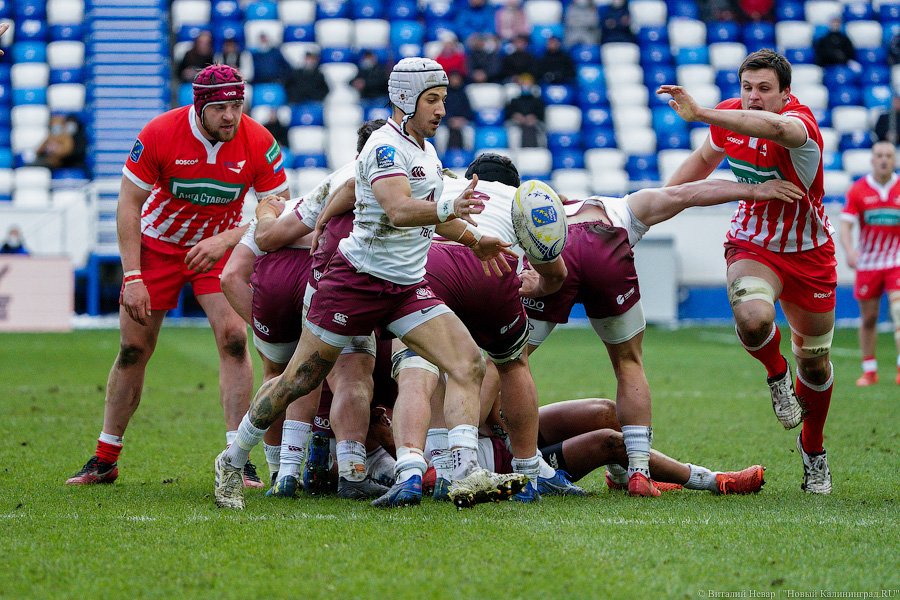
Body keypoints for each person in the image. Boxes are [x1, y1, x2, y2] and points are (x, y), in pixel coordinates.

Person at [213, 58, 526, 510]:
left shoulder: (426, 151)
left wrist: (477, 240)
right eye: (432, 100)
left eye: (442, 99)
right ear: (405, 100)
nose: (441, 110)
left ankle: (464, 472)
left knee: (467, 363)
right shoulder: (384, 146)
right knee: (298, 380)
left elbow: (433, 218)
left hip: (403, 288)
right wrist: (448, 210)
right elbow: (399, 209)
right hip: (354, 284)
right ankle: (232, 459)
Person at [65, 64, 291, 486]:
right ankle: (105, 457)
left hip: (219, 251)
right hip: (157, 250)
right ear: (200, 106)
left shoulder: (259, 140)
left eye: (237, 105)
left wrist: (226, 240)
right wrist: (132, 276)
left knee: (235, 339)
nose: (230, 116)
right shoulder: (159, 133)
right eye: (221, 107)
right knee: (133, 349)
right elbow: (129, 205)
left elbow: (282, 211)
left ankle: (236, 459)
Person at [521, 176, 803, 497]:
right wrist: (754, 190)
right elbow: (688, 193)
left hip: (489, 431)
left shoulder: (528, 225)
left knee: (525, 371)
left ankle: (467, 452)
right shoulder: (616, 207)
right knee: (626, 370)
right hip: (495, 451)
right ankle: (652, 474)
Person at [658, 48, 836, 495]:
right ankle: (777, 375)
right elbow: (700, 164)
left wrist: (700, 112)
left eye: (764, 89)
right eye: (746, 88)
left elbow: (776, 128)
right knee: (754, 319)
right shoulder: (728, 118)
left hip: (810, 254)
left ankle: (812, 449)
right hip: (752, 244)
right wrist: (651, 207)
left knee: (814, 367)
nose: (753, 97)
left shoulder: (801, 125)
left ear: (785, 94)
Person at [840, 141, 900, 387]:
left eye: (888, 155)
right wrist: (849, 251)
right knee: (869, 319)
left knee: (898, 313)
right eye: (879, 155)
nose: (884, 160)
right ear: (872, 160)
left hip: (896, 261)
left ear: (894, 160)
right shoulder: (859, 189)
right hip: (868, 264)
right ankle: (869, 369)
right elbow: (846, 225)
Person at [505, 74, 545, 148]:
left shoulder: (537, 101)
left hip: (534, 123)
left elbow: (541, 115)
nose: (525, 86)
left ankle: (538, 149)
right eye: (523, 83)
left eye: (527, 83)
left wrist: (534, 117)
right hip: (517, 122)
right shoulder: (514, 100)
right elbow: (508, 113)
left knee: (540, 128)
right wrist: (516, 116)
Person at [442, 71, 475, 150]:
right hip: (447, 122)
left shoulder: (463, 94)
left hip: (462, 122)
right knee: (442, 134)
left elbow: (469, 111)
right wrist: (450, 120)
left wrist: (462, 120)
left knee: (469, 132)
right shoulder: (444, 94)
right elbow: (441, 110)